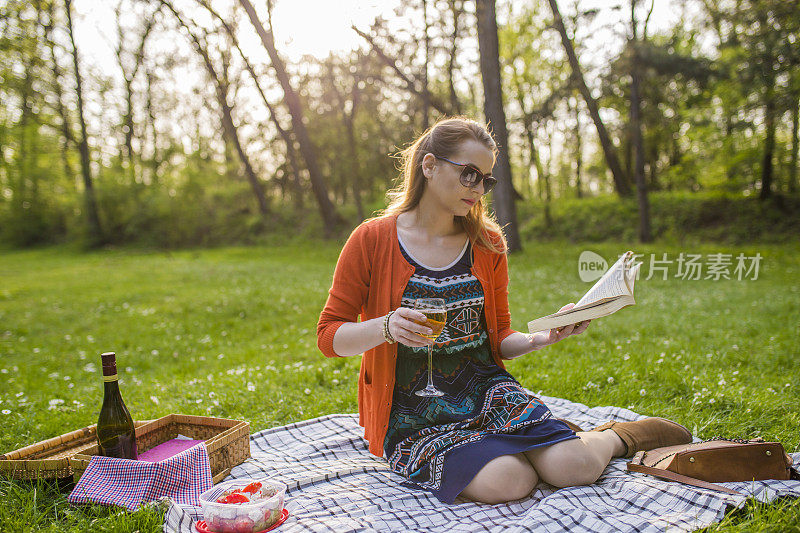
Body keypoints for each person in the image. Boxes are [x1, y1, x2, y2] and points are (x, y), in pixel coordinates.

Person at [316, 117, 691, 504]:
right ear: (429, 166)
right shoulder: (372, 239)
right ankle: (515, 450)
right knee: (509, 482)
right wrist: (387, 327)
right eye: (469, 175)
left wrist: (542, 338)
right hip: (415, 413)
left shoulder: (487, 242)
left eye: (486, 180)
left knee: (573, 467)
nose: (478, 189)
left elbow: (498, 339)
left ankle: (615, 436)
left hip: (488, 393)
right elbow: (328, 337)